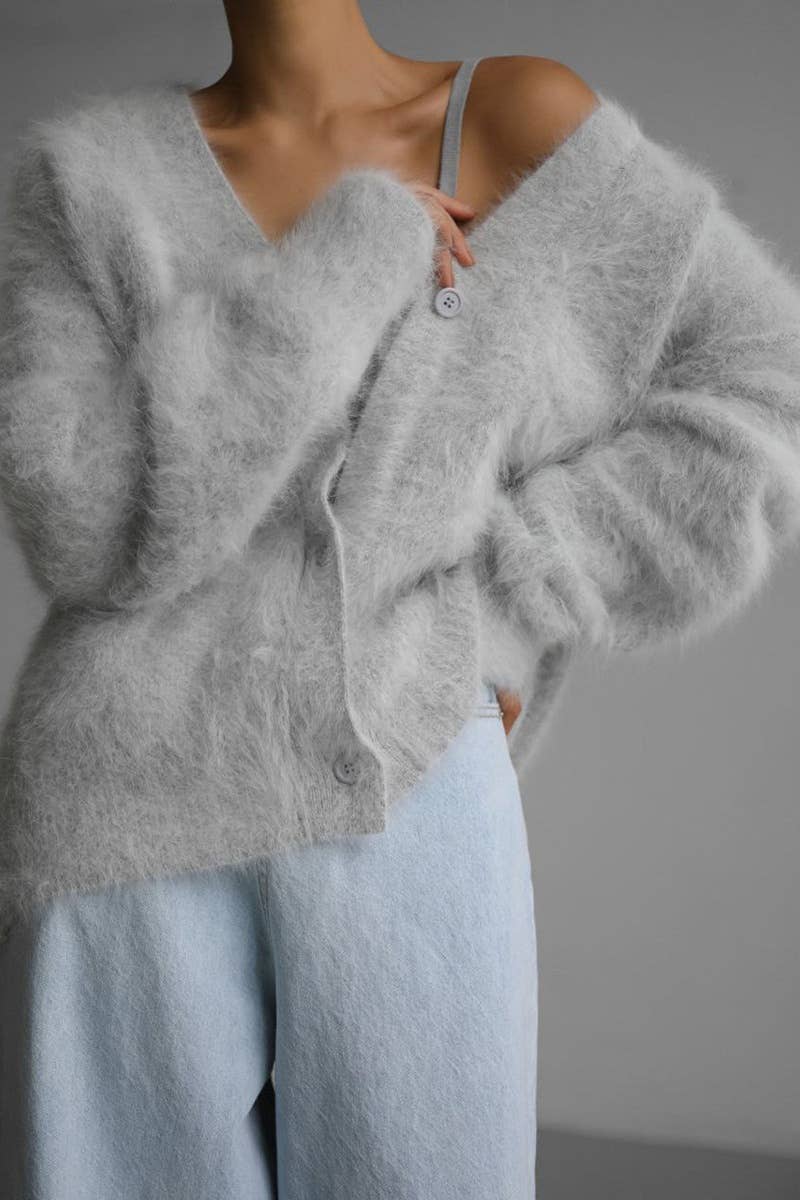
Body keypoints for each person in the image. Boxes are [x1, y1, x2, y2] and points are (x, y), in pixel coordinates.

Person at [2, 3, 800, 1198]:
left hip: (407, 777)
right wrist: (344, 261)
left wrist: (516, 592)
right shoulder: (86, 177)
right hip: (121, 817)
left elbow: (762, 386)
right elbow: (83, 526)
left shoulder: (516, 120)